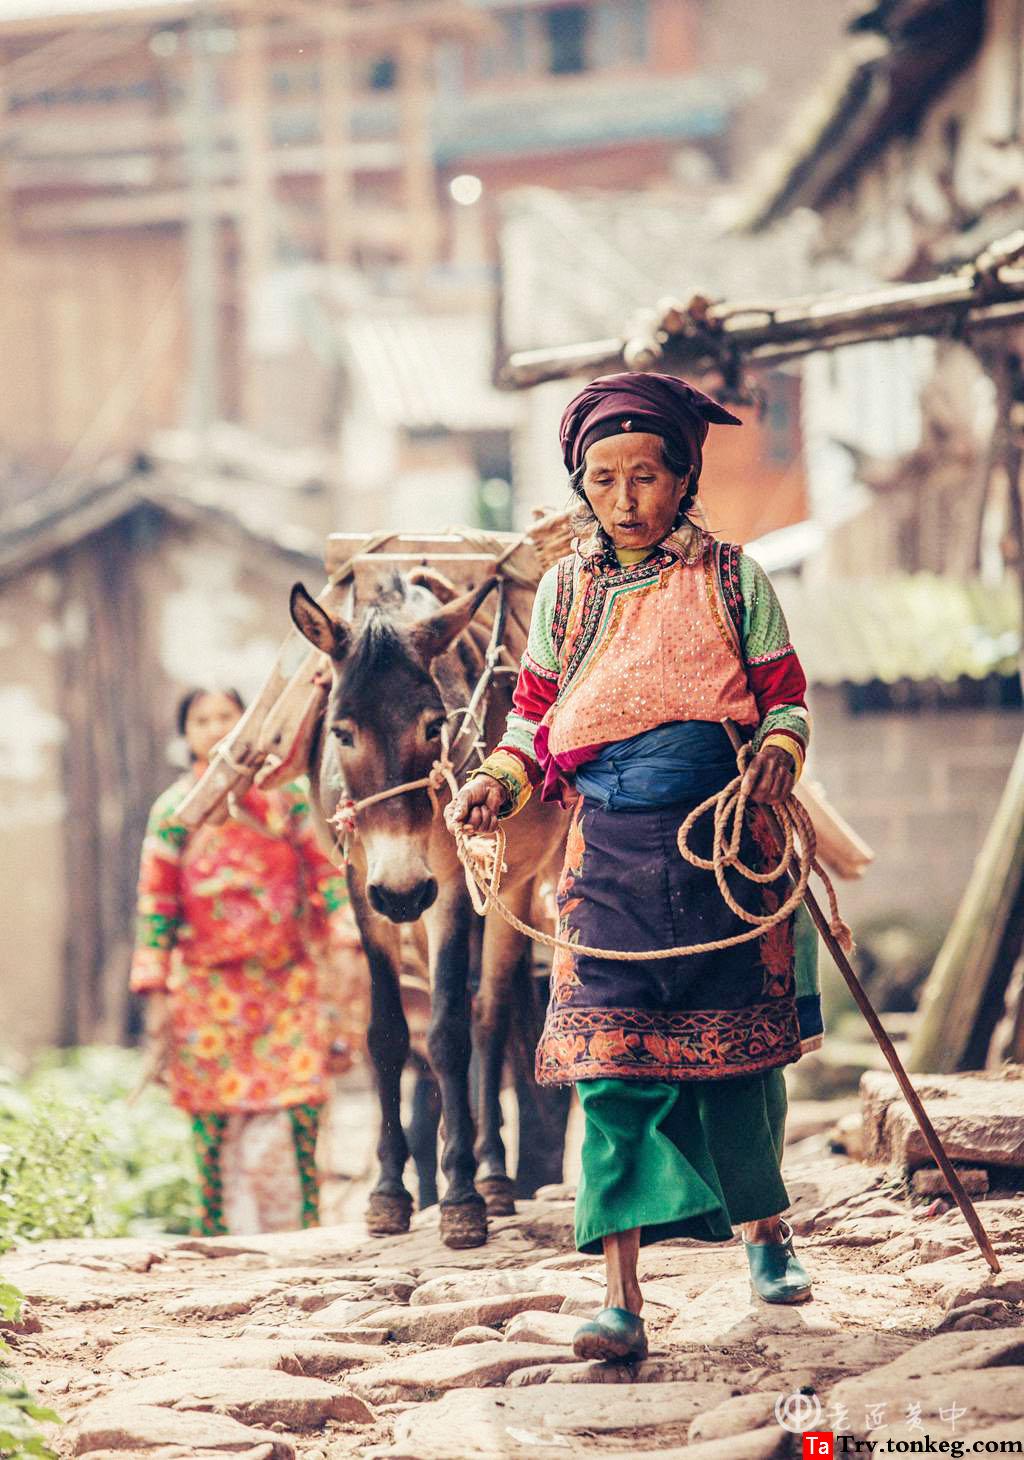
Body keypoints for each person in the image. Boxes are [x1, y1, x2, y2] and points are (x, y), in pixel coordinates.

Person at [446, 371, 819, 1363]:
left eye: (644, 475)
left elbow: (785, 699)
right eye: (603, 478)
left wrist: (777, 755)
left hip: (720, 848)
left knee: (737, 1063)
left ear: (682, 476)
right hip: (605, 858)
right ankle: (619, 1297)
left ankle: (766, 1231)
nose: (624, 497)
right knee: (608, 1070)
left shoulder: (735, 579)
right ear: (583, 486)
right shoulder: (566, 592)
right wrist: (497, 778)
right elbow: (530, 721)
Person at [130, 687, 349, 1235]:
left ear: (247, 723)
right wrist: (155, 993)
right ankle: (218, 1237)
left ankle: (303, 1235)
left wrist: (346, 945)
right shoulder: (173, 812)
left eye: (226, 715)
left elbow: (326, 874)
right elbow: (156, 906)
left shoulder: (288, 799)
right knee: (211, 1121)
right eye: (201, 719)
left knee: (299, 1104)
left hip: (288, 983)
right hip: (207, 992)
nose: (214, 727)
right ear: (186, 735)